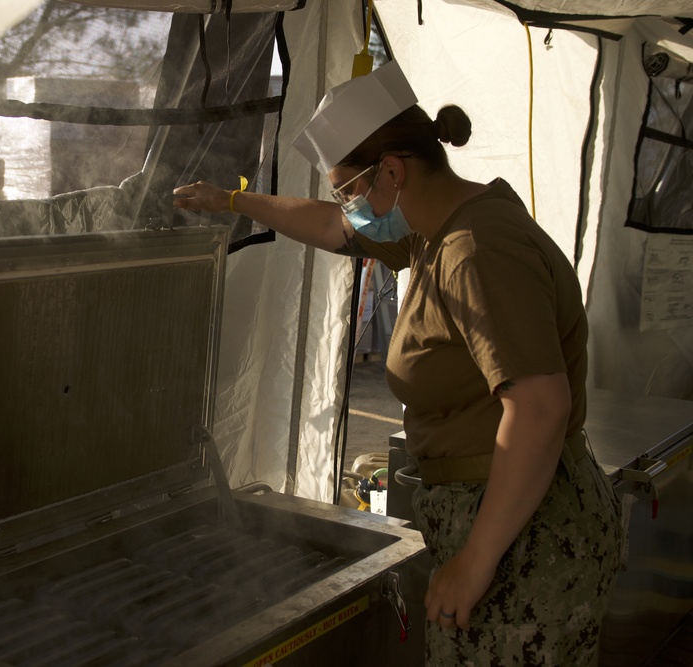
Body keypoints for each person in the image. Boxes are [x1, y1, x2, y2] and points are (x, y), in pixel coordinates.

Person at [173, 60, 622, 665]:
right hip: (505, 515)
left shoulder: (476, 251)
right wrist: (233, 200)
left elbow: (540, 408)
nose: (350, 207)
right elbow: (334, 227)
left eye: (352, 190)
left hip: (524, 537)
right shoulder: (435, 227)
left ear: (391, 171)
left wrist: (475, 561)